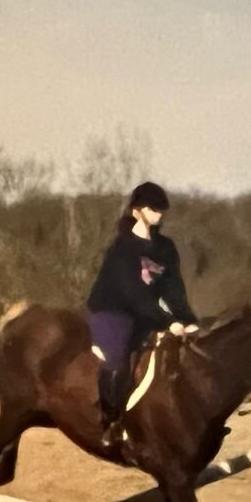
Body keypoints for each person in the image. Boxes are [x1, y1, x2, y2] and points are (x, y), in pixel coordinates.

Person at [85, 181, 198, 445]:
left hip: (144, 313)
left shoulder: (165, 248)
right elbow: (134, 295)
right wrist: (168, 322)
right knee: (117, 358)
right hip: (111, 311)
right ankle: (110, 421)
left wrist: (187, 320)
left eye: (161, 209)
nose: (158, 213)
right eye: (152, 208)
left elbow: (174, 290)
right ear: (136, 211)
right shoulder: (122, 248)